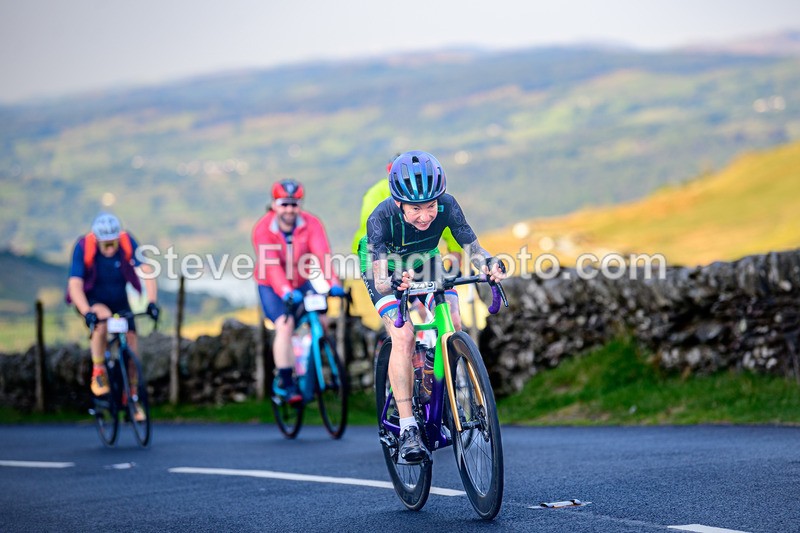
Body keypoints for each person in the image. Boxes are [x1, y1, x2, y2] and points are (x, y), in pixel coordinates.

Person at [358, 150, 506, 464]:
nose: (425, 216)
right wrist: (397, 279)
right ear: (399, 203)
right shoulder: (380, 218)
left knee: (453, 320)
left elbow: (474, 250)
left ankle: (443, 389)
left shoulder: (448, 206)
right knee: (404, 335)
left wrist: (490, 264)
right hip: (383, 269)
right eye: (416, 208)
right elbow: (382, 280)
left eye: (430, 206)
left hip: (426, 261)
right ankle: (409, 428)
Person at [252, 179, 346, 404]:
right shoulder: (263, 229)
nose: (289, 209)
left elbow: (323, 256)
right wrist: (285, 291)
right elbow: (272, 267)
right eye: (284, 204)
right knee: (285, 325)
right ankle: (286, 379)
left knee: (321, 320)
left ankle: (311, 369)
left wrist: (333, 283)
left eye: (294, 204)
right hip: (271, 285)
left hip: (301, 281)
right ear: (274, 205)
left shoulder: (312, 224)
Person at [66, 212, 160, 416]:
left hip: (120, 299)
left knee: (132, 343)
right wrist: (86, 312)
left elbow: (147, 270)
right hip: (93, 300)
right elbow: (75, 284)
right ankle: (98, 371)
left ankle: (132, 397)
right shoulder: (83, 247)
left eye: (113, 244)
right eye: (105, 245)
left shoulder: (128, 241)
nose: (110, 249)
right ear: (98, 241)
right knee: (102, 320)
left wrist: (152, 302)